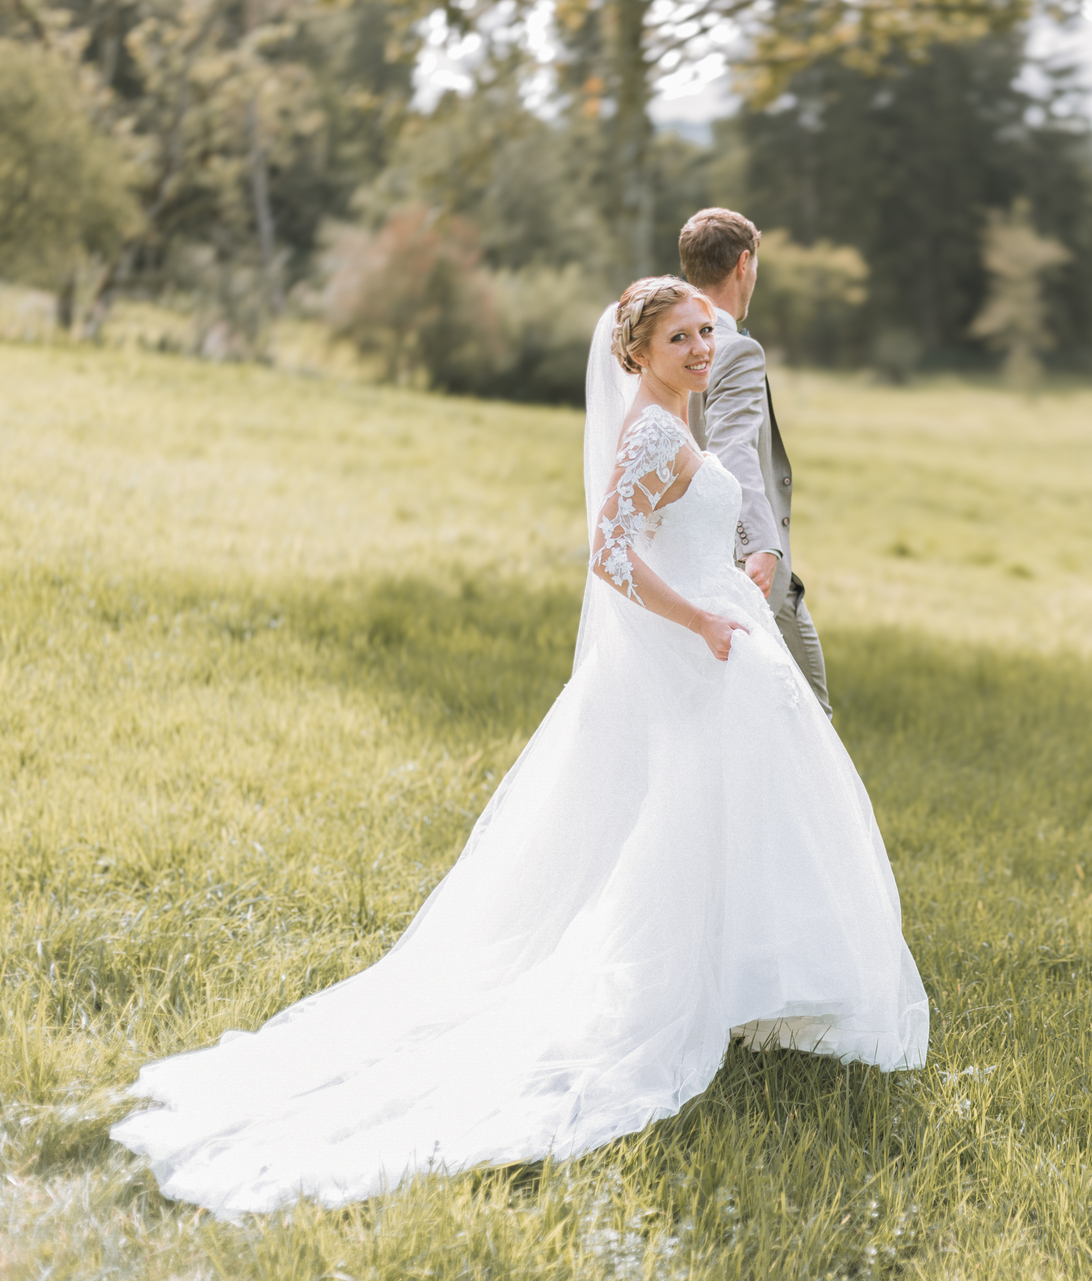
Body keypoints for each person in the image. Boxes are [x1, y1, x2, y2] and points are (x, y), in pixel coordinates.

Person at [110, 277, 929, 1218]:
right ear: (638, 352)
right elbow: (610, 554)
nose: (702, 348)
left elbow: (667, 533)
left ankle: (759, 991)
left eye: (706, 331)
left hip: (725, 638)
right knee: (693, 827)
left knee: (744, 818)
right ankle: (700, 991)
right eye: (680, 338)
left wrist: (731, 579)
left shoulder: (673, 417)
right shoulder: (653, 431)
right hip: (706, 648)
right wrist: (702, 618)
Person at [678, 208, 831, 718]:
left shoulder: (659, 345)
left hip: (677, 564)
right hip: (743, 567)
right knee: (809, 721)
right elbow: (732, 449)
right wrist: (760, 543)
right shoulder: (734, 350)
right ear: (744, 264)